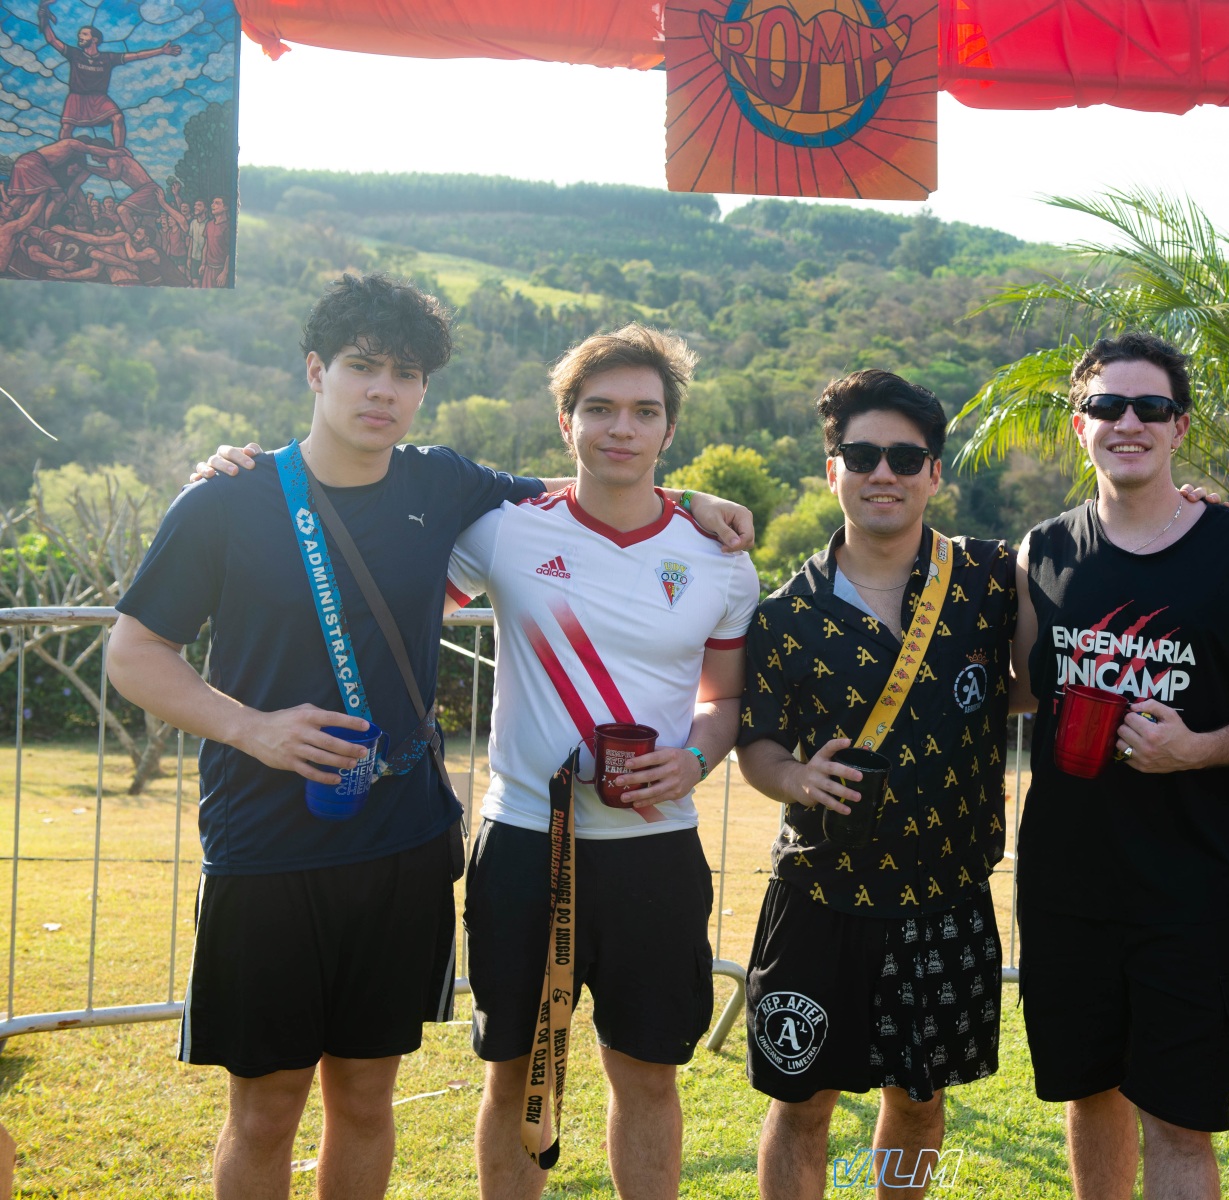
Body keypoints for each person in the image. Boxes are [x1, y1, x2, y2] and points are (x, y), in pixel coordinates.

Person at [110, 273, 751, 1200]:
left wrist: (691, 498)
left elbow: (600, 485)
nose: (383, 390)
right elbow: (133, 654)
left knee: (368, 1100)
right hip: (267, 839)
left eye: (405, 374)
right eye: (362, 367)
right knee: (266, 1109)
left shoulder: (442, 485)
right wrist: (252, 729)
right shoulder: (228, 499)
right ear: (315, 371)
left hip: (404, 841)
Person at [446, 324, 759, 1200]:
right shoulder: (503, 533)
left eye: (644, 412)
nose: (622, 428)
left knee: (647, 1077)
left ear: (670, 430)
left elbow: (723, 700)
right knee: (516, 1077)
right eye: (600, 409)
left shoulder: (722, 561)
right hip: (524, 843)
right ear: (567, 422)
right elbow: (400, 588)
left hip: (654, 852)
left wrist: (693, 759)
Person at [1011, 332, 1229, 1200]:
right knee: (1088, 1093)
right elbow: (1021, 691)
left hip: (1187, 888)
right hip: (1066, 884)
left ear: (1180, 426)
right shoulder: (1042, 551)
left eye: (1151, 407)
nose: (1128, 422)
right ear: (1081, 425)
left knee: (1180, 1119)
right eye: (1107, 405)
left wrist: (1200, 749)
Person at [736, 370, 1018, 1199]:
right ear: (833, 470)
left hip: (946, 893)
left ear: (935, 472)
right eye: (861, 456)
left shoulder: (990, 577)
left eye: (904, 457)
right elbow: (756, 744)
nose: (882, 473)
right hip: (820, 893)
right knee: (801, 1106)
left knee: (921, 1106)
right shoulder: (783, 614)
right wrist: (794, 776)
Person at [37, 2, 180, 146]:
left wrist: (161, 51)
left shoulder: (108, 58)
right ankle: (61, 151)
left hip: (99, 98)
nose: (80, 36)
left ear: (94, 39)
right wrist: (45, 21)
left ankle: (120, 151)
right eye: (80, 34)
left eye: (84, 34)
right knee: (67, 127)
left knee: (118, 118)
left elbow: (136, 55)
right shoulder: (74, 54)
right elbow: (52, 40)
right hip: (77, 97)